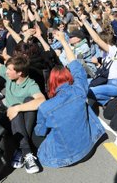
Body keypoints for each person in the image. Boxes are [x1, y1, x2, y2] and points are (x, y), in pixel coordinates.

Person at [35, 31, 105, 167]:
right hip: (89, 147)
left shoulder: (45, 107)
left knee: (38, 139)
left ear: (51, 83)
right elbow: (75, 65)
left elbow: (40, 132)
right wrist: (63, 41)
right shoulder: (79, 90)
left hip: (65, 158)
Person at [0, 42, 46, 174]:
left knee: (26, 102)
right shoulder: (9, 76)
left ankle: (23, 152)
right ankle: (27, 153)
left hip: (20, 116)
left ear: (19, 73)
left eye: (10, 70)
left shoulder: (31, 84)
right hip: (8, 118)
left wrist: (17, 108)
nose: (7, 72)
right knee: (19, 107)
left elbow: (41, 100)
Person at [80, 15, 117, 106]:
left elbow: (97, 39)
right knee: (82, 83)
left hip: (115, 85)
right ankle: (108, 101)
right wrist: (98, 65)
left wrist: (85, 22)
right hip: (106, 81)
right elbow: (99, 33)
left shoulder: (113, 50)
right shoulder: (105, 54)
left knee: (89, 91)